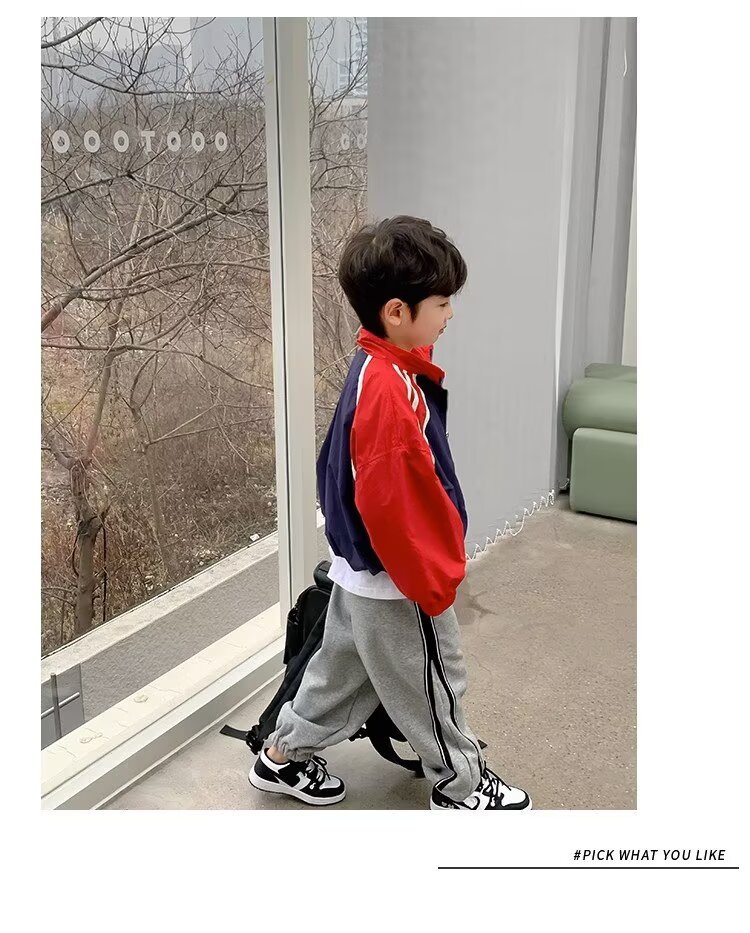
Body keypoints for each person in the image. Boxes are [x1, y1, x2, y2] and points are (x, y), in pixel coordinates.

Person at [249, 215, 532, 810]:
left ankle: (282, 756)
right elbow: (396, 508)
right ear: (397, 312)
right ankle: (461, 787)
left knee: (338, 674)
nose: (450, 314)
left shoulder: (380, 364)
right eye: (442, 303)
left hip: (361, 572)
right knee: (433, 681)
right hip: (396, 579)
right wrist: (435, 583)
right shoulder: (389, 395)